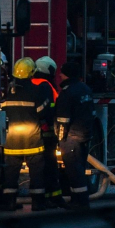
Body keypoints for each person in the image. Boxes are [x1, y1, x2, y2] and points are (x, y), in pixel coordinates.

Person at [1, 58, 52, 211]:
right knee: (36, 172)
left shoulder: (6, 92)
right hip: (32, 140)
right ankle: (38, 203)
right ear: (32, 74)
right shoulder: (36, 91)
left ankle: (9, 203)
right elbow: (43, 112)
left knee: (10, 173)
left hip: (11, 141)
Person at [55, 62, 96, 209]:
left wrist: (60, 139)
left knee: (73, 170)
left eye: (62, 73)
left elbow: (63, 120)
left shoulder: (67, 92)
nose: (59, 75)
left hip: (71, 137)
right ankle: (76, 199)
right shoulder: (85, 89)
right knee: (79, 166)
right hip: (85, 135)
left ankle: (81, 201)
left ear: (66, 74)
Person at [32, 56, 66, 209]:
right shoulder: (46, 85)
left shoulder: (30, 83)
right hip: (46, 133)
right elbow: (49, 108)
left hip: (30, 132)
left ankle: (45, 197)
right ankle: (54, 197)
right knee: (50, 166)